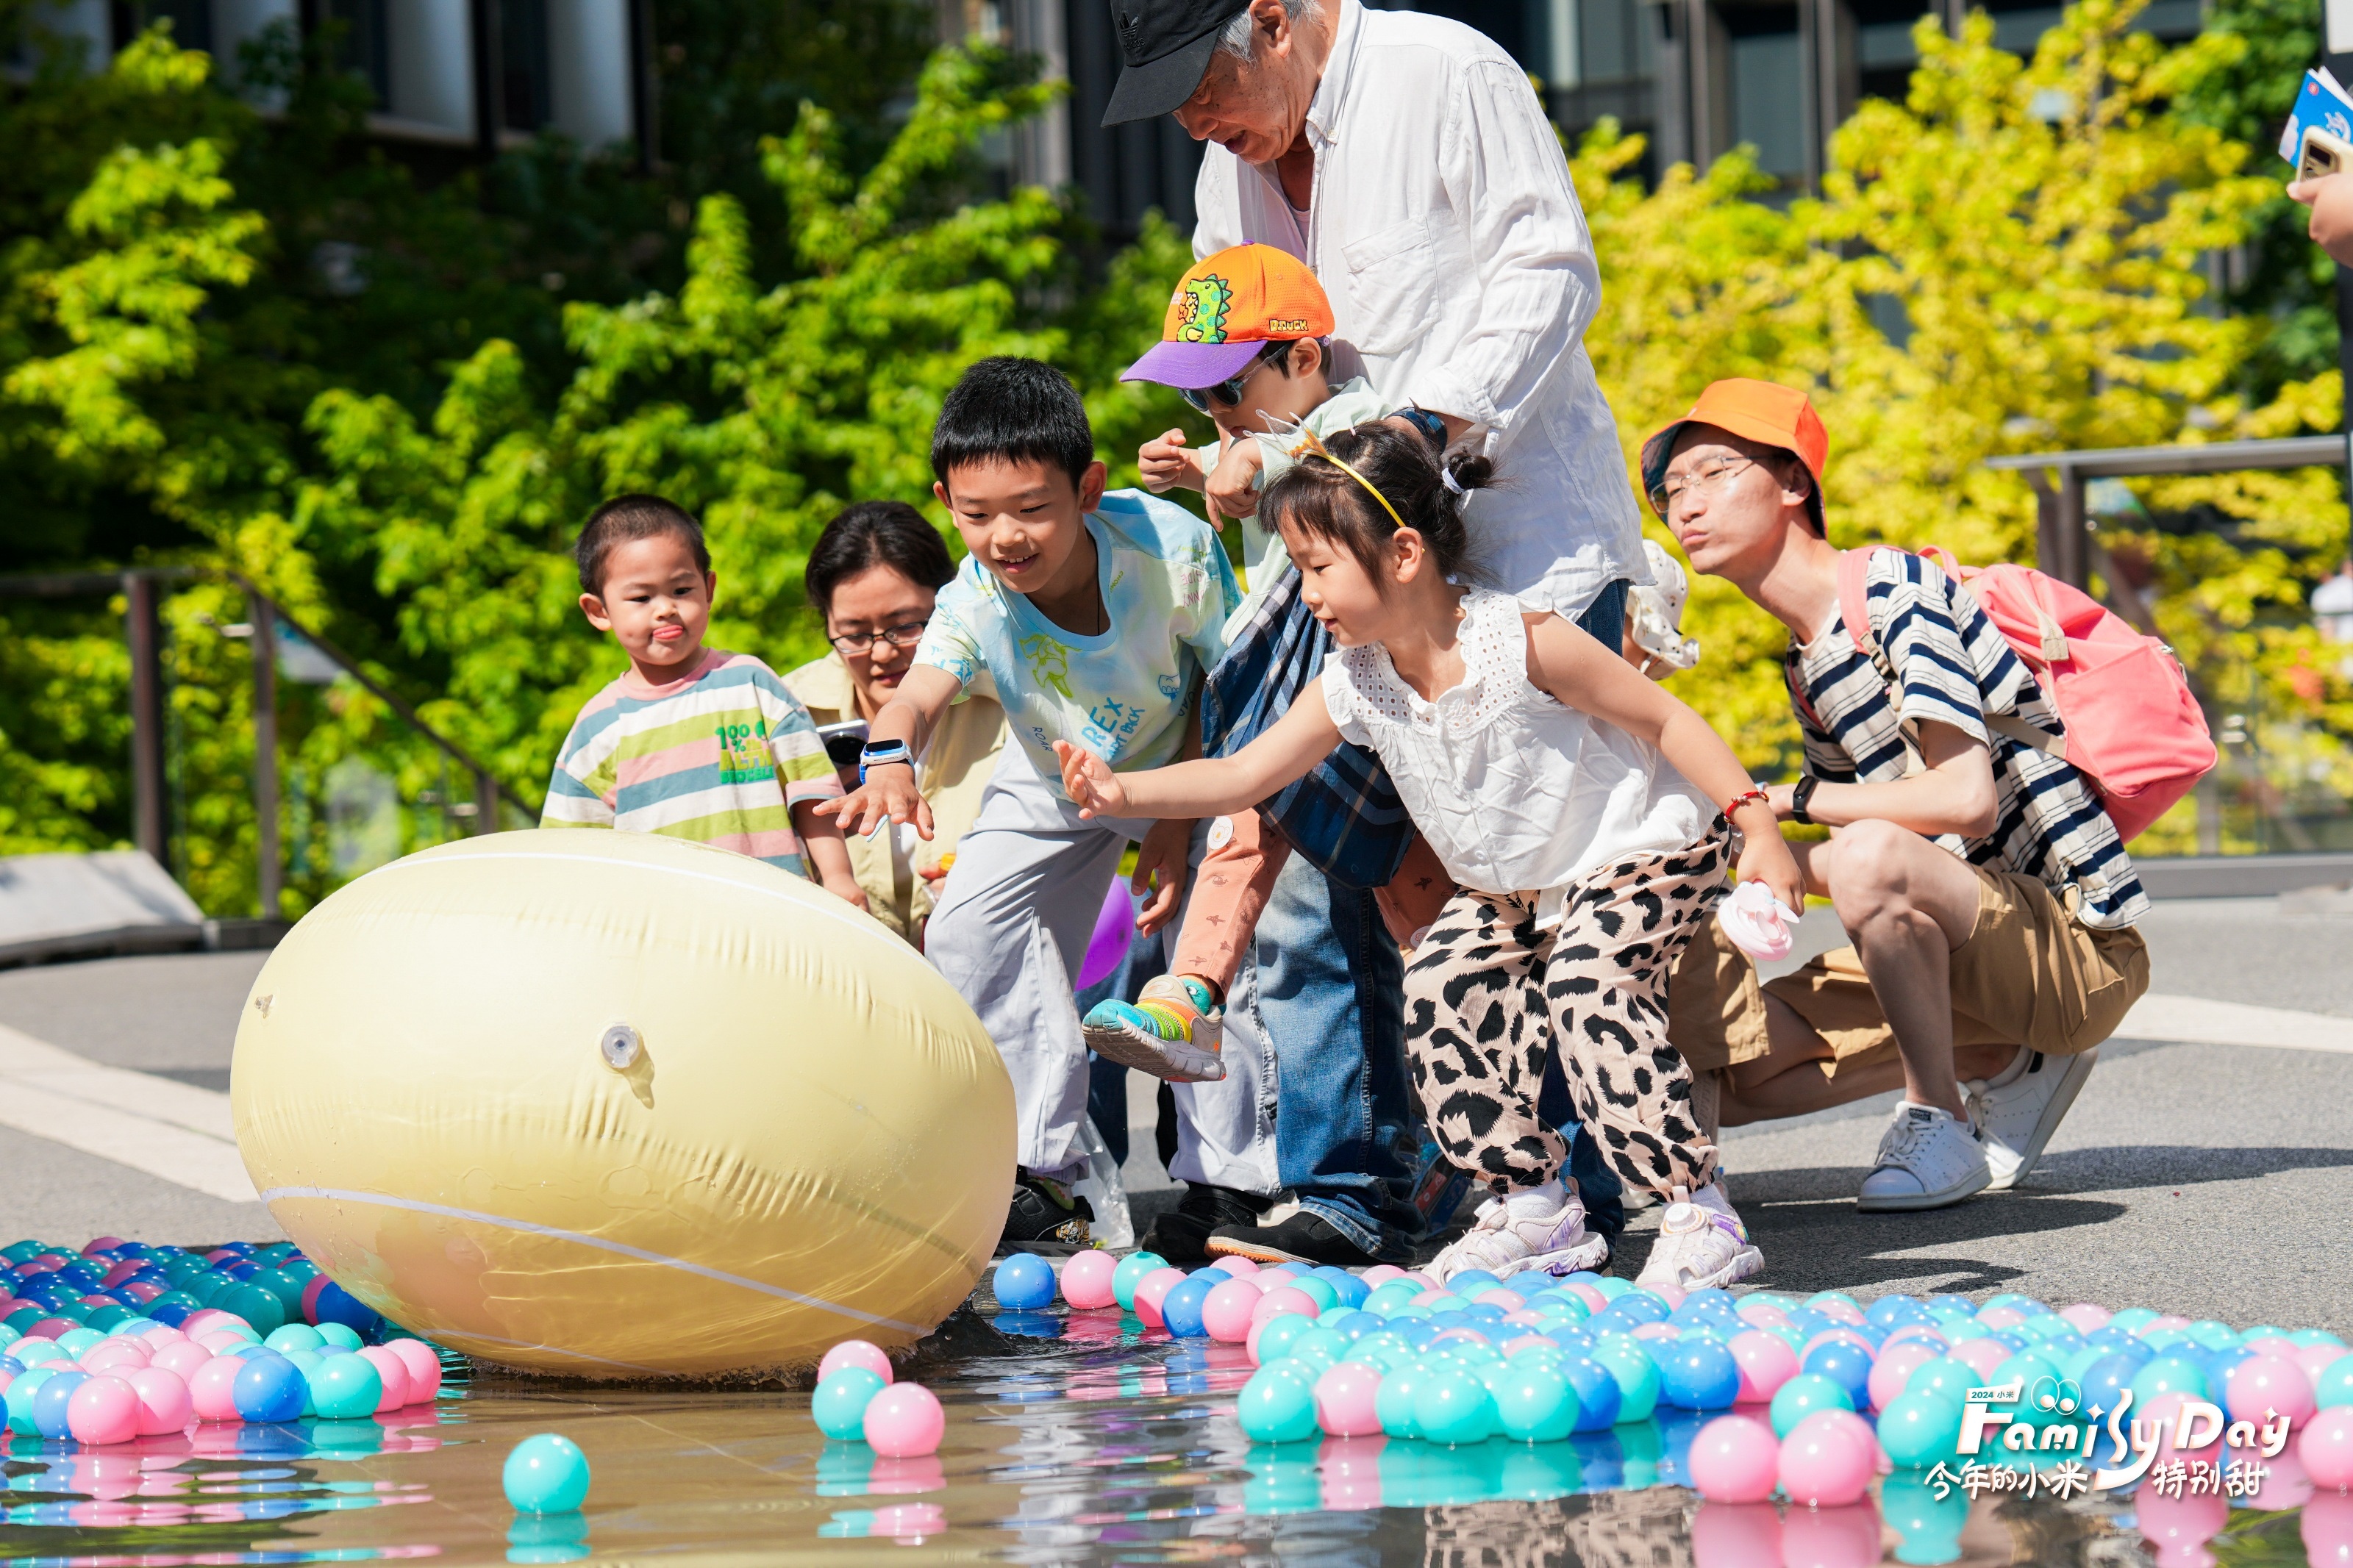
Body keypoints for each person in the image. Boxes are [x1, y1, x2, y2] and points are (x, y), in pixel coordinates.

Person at [1103, 0, 1652, 1271]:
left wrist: (1412, 436)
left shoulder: (1441, 69)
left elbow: (1548, 268)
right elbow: (1227, 357)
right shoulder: (1228, 165)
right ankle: (1354, 1189)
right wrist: (1244, 466)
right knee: (1326, 876)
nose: (1200, 121)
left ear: (1273, 19)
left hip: (1519, 548)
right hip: (1340, 589)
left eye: (1206, 87)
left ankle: (1568, 1184)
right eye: (1177, 106)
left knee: (1522, 885)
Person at [1054, 422, 1800, 1289]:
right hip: (1512, 887)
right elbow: (1242, 773)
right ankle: (1532, 1204)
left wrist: (1758, 826)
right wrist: (1122, 793)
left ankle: (1698, 1209)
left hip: (1636, 850)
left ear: (1402, 553)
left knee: (1586, 983)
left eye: (1318, 566)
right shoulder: (1354, 678)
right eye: (1296, 568)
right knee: (1443, 978)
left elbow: (1666, 720)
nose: (1305, 593)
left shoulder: (1522, 640)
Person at [1649, 379, 2152, 1209]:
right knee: (1738, 1075)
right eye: (1671, 491)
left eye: (1713, 473)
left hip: (2074, 952)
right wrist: (1730, 854)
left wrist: (1785, 801)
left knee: (1868, 851)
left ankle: (1936, 1118)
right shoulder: (1807, 660)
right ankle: (2000, 1058)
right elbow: (1861, 857)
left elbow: (1961, 801)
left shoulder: (1890, 590)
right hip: (1965, 939)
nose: (1685, 505)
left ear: (1791, 484)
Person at [815, 357, 1276, 1254]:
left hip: (1193, 757)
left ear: (1089, 488)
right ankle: (1040, 1170)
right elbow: (915, 695)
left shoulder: (1165, 549)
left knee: (1215, 956)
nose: (1006, 538)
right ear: (945, 498)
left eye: (1033, 509)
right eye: (977, 514)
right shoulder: (971, 599)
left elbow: (1229, 691)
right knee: (963, 933)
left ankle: (1231, 1187)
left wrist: (1177, 827)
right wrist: (886, 754)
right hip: (1055, 773)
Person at [1085, 242, 1393, 1081]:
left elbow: (1320, 459)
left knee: (1412, 906)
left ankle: (1470, 1123)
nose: (1213, 408)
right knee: (1239, 827)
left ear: (1301, 358)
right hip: (1300, 689)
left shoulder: (1353, 418)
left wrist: (1247, 460)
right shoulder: (1256, 435)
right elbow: (1248, 478)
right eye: (1194, 391)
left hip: (1380, 686)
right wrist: (1198, 470)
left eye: (1225, 387)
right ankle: (1186, 998)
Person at [540, 494, 864, 906]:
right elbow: (571, 855)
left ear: (708, 588)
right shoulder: (599, 728)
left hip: (779, 915)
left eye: (681, 589)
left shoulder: (751, 684)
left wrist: (837, 877)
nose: (665, 610)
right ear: (598, 610)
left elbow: (812, 791)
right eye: (641, 598)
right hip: (666, 938)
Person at [784, 501, 1006, 945]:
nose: (882, 653)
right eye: (853, 634)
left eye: (905, 626)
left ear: (948, 607)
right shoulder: (787, 715)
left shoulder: (1010, 701)